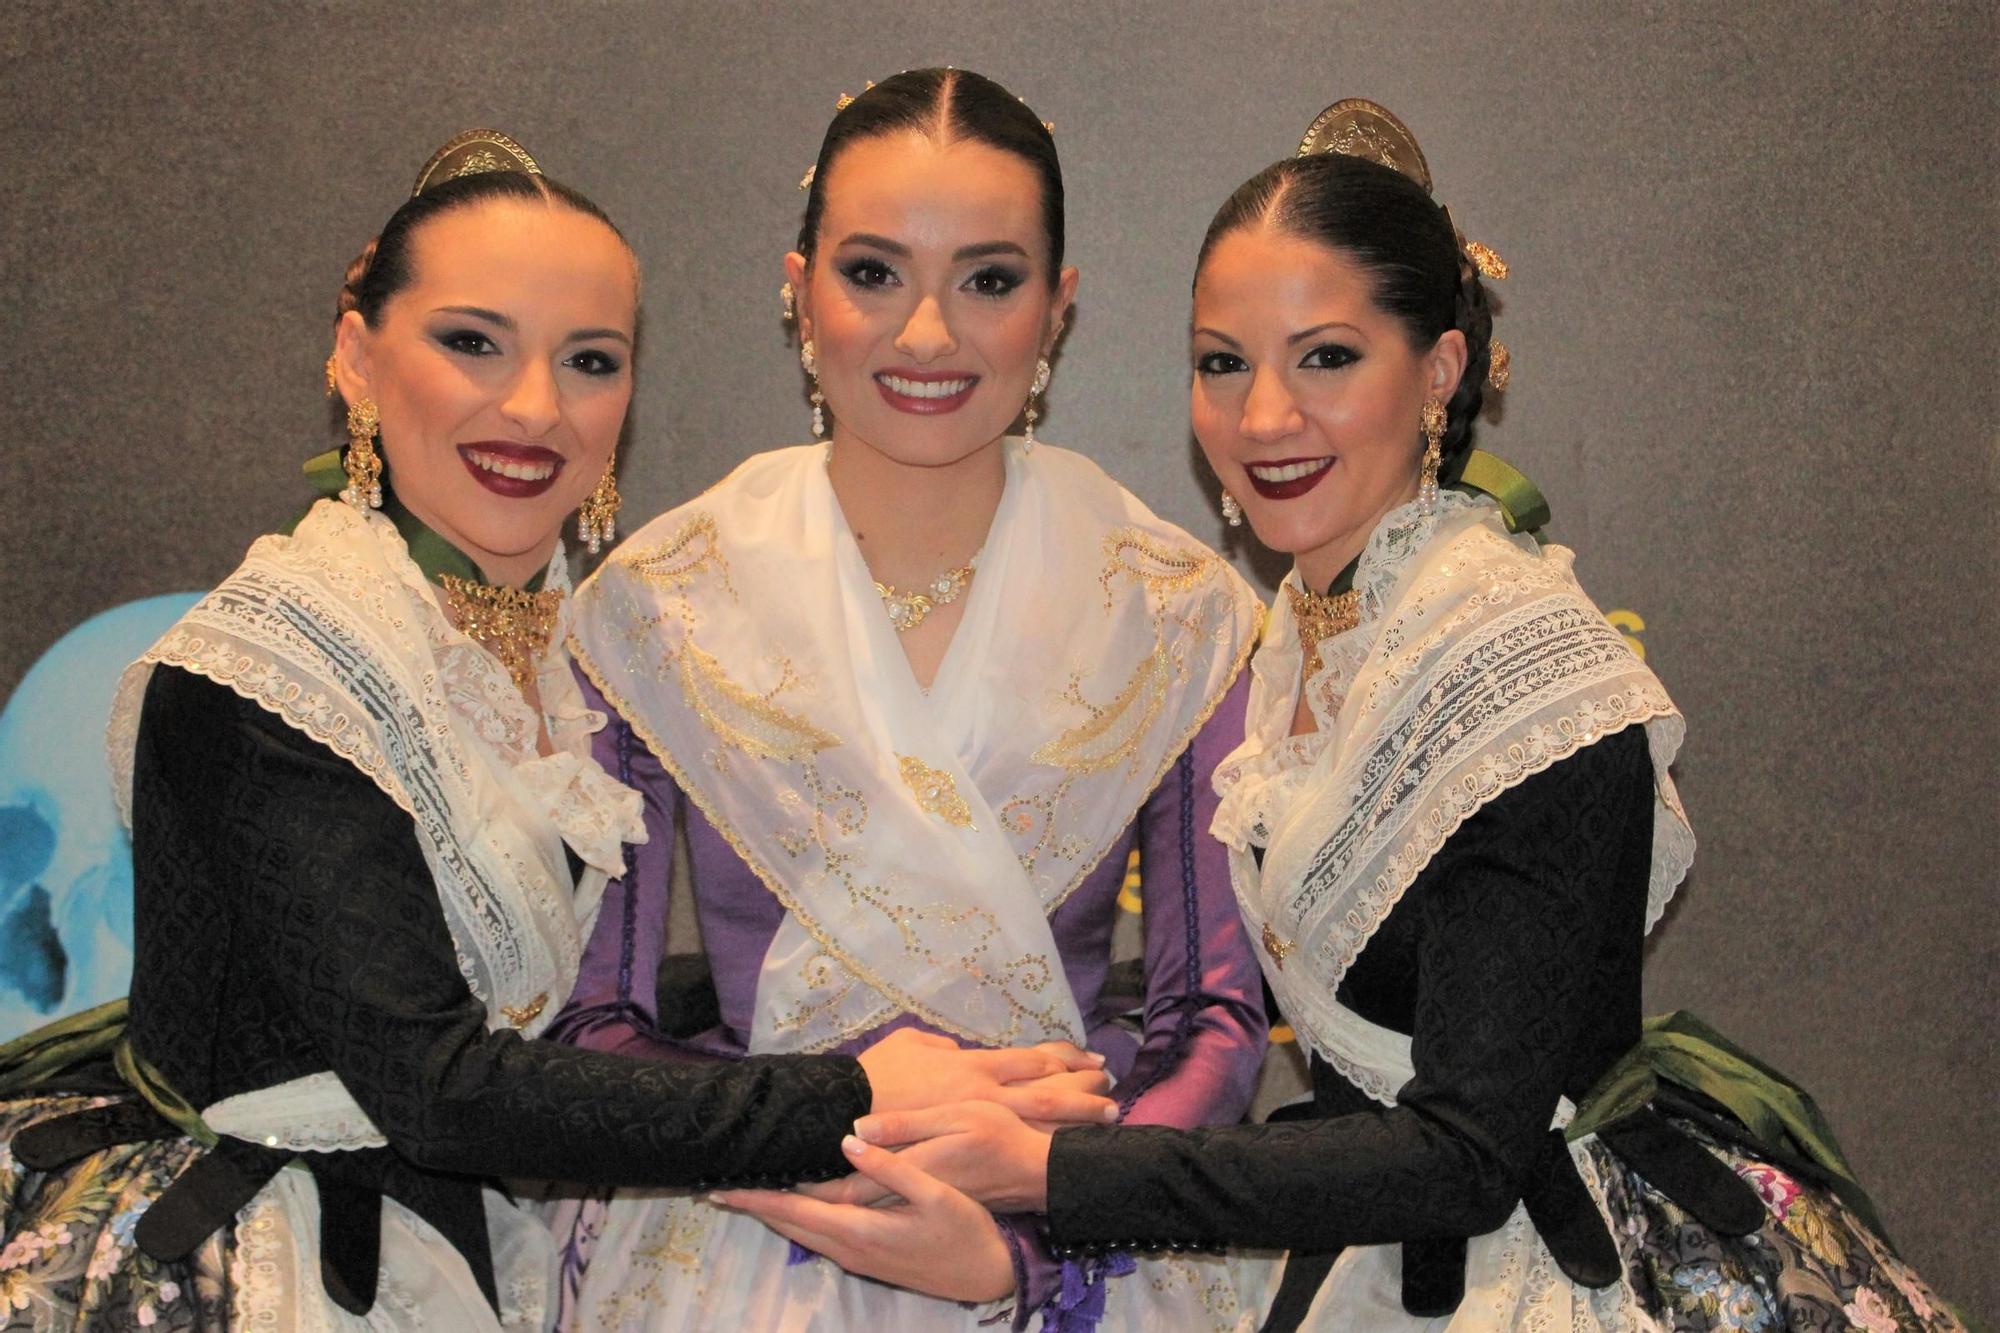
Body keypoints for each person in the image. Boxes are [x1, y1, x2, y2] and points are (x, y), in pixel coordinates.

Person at [722, 102, 1966, 1331]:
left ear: (1436, 368)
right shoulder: (1308, 635)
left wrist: (1043, 1173)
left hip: (1561, 1264)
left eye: (1324, 357)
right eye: (1222, 362)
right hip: (1382, 1242)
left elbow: (1466, 1150)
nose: (1262, 419)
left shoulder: (1514, 661)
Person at [0, 130, 1112, 1331]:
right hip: (259, 1259)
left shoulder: (548, 647)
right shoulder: (272, 671)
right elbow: (437, 1087)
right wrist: (853, 1086)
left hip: (470, 1229)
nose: (533, 409)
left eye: (588, 359)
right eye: (470, 341)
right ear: (357, 354)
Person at [553, 69, 1276, 1331]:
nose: (927, 336)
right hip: (746, 1230)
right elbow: (590, 1024)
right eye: (873, 273)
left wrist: (1043, 1209)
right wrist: (833, 1118)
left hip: (1073, 1219)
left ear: (1056, 310)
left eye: (989, 281)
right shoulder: (660, 599)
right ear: (798, 292)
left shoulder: (1172, 605)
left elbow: (1211, 1020)